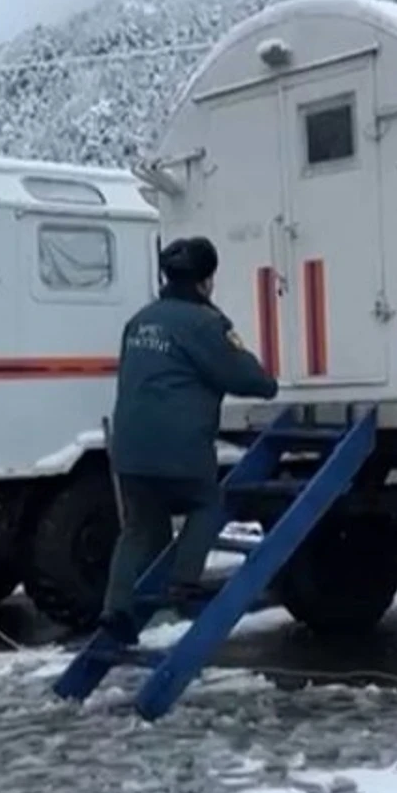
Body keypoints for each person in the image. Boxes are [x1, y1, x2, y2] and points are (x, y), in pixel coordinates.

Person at [92, 235, 279, 646]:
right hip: (178, 449)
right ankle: (184, 585)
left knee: (140, 528)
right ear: (205, 280)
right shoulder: (205, 324)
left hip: (129, 450)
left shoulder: (140, 320)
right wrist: (268, 384)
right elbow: (244, 376)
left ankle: (115, 610)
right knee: (207, 505)